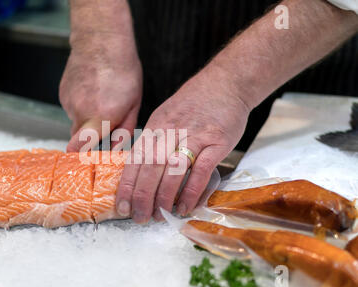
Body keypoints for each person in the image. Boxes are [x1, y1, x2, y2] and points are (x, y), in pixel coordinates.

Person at [59, 0, 358, 224]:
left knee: (303, 217)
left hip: (305, 53)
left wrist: (232, 83)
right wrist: (98, 33)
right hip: (156, 40)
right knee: (150, 189)